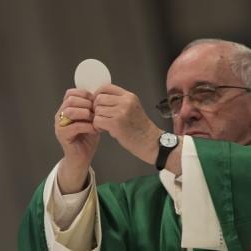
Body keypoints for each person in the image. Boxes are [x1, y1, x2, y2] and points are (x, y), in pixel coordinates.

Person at [18, 39, 251, 251]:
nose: (186, 112)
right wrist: (75, 163)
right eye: (175, 100)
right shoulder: (138, 208)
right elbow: (51, 237)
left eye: (205, 93)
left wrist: (155, 143)